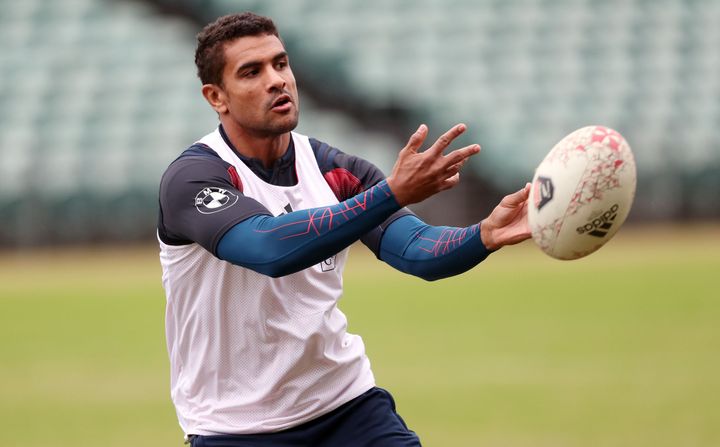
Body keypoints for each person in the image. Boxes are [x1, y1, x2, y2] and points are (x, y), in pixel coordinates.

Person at [158, 11, 531, 447]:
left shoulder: (334, 169)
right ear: (216, 97)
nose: (276, 80)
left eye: (281, 63)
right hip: (236, 427)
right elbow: (267, 248)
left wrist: (484, 234)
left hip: (348, 406)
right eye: (251, 72)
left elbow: (416, 249)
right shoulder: (192, 179)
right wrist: (390, 193)